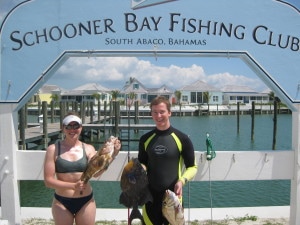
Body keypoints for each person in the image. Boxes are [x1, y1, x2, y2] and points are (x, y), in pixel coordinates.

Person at [138, 96, 198, 225]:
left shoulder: (182, 139)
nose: (158, 115)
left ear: (169, 113)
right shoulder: (145, 139)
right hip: (150, 199)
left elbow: (192, 167)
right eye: (154, 112)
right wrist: (139, 170)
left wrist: (181, 181)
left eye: (162, 112)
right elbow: (143, 163)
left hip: (173, 199)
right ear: (151, 113)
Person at [44, 112, 102, 225]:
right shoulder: (53, 149)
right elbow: (48, 181)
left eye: (76, 126)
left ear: (81, 128)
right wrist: (73, 186)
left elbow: (96, 173)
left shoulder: (89, 148)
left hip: (86, 201)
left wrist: (113, 155)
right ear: (63, 128)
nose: (72, 129)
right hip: (61, 202)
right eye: (68, 126)